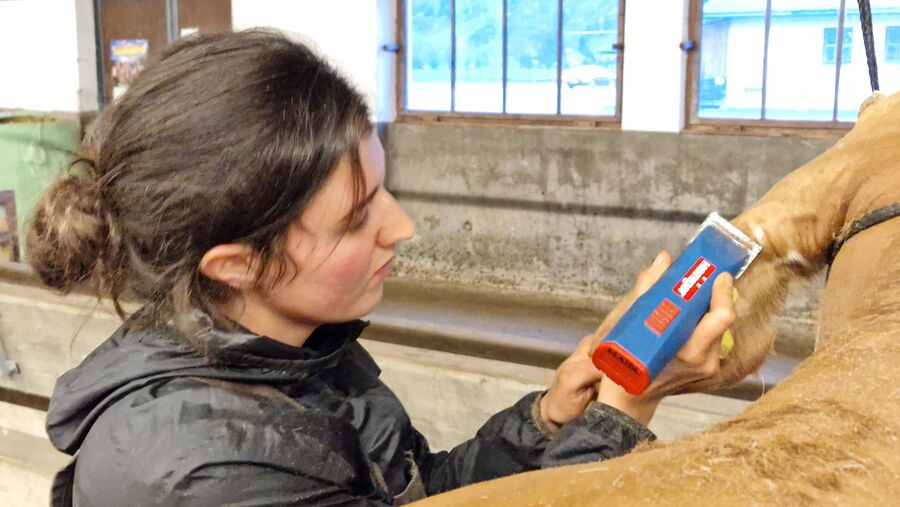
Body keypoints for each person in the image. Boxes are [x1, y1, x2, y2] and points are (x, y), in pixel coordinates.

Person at [30, 31, 735, 506]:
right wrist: (620, 418)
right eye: (357, 216)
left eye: (383, 190)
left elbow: (414, 492)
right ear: (237, 265)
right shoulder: (203, 473)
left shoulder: (292, 351)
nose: (401, 228)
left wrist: (549, 422)